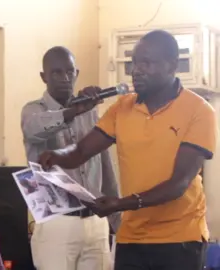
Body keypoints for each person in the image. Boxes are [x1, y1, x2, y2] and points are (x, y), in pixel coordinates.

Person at [39, 30, 216, 270]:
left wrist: (120, 204)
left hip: (180, 239)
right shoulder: (122, 107)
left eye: (147, 62)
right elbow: (80, 152)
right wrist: (56, 157)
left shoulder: (199, 110)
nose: (137, 70)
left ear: (172, 65)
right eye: (134, 63)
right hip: (131, 238)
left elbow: (179, 184)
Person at [21, 46, 119, 270]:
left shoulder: (91, 113)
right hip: (57, 221)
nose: (64, 78)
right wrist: (72, 111)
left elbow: (105, 164)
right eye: (56, 72)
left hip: (95, 220)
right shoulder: (33, 111)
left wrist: (116, 218)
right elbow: (34, 130)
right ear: (43, 76)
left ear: (77, 73)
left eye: (69, 71)